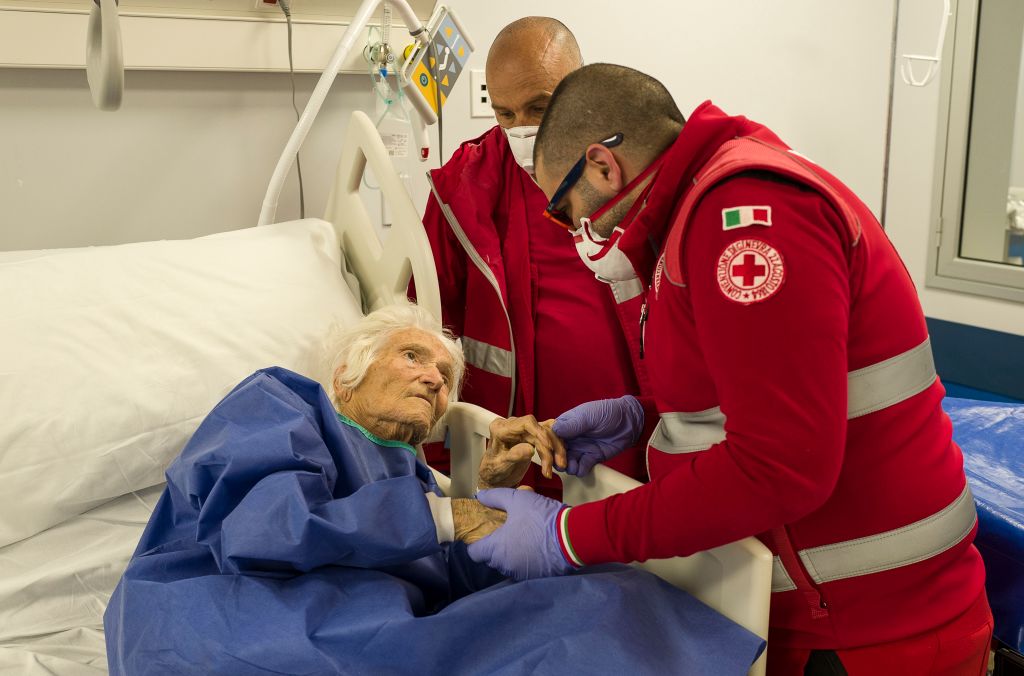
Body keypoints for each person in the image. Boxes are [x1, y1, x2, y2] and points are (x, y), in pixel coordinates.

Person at [467, 64, 993, 676]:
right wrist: (641, 422)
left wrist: (570, 536)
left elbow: (780, 466)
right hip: (817, 605)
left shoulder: (744, 215)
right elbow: (750, 389)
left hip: (872, 627)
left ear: (604, 166)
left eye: (565, 208)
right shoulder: (693, 217)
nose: (576, 231)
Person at [103, 302, 766, 675]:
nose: (433, 379)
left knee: (608, 594)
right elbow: (263, 528)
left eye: (446, 375)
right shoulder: (282, 402)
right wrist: (454, 515)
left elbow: (450, 584)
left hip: (361, 640)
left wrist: (508, 491)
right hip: (226, 630)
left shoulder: (413, 473)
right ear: (344, 376)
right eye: (412, 356)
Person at [420, 17, 650, 495]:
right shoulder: (464, 187)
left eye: (540, 107)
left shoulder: (635, 173)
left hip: (629, 435)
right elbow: (429, 328)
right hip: (508, 445)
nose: (522, 129)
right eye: (505, 113)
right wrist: (440, 466)